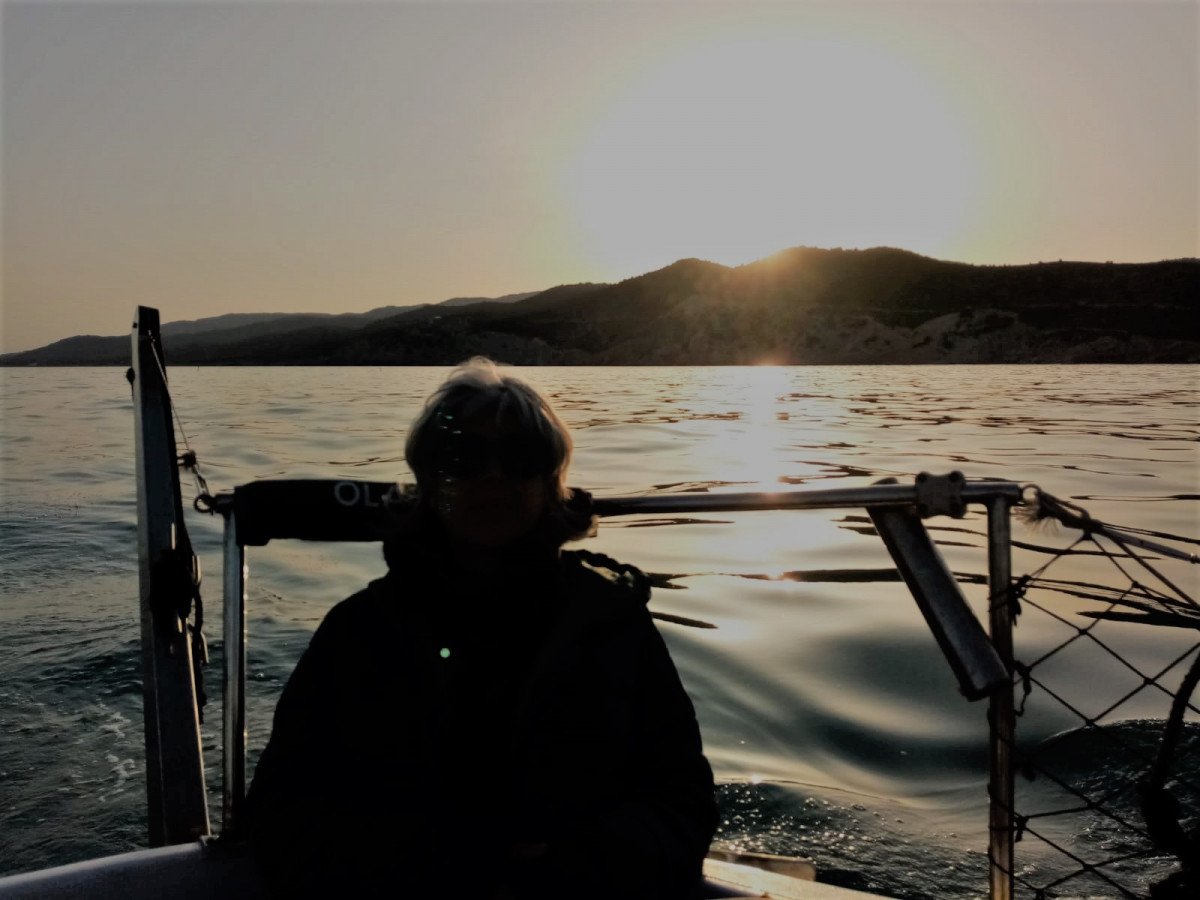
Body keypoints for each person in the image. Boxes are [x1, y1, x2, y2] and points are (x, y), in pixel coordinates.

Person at [246, 358, 717, 899]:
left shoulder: (611, 624)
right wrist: (442, 863)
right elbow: (285, 814)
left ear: (549, 483)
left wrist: (572, 865)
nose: (493, 476)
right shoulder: (360, 633)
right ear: (429, 484)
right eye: (462, 458)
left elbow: (681, 801)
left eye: (520, 458)